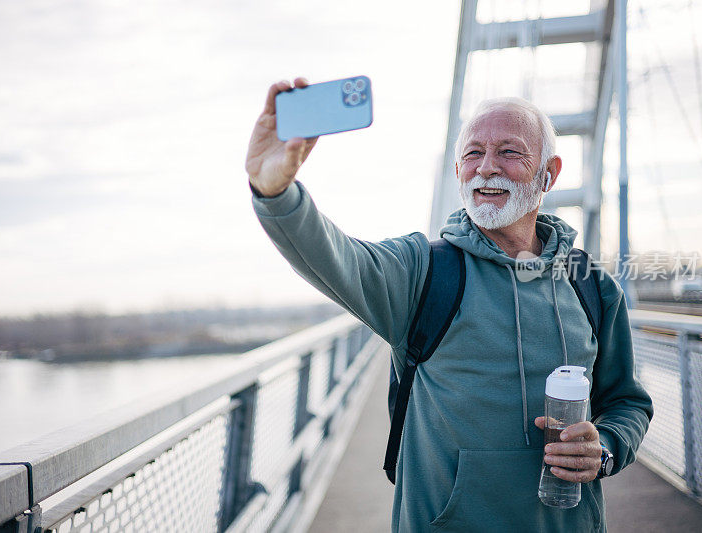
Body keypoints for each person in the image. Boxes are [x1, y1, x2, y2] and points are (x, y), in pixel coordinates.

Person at [245, 77, 653, 532]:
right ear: (458, 169)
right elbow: (337, 257)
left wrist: (607, 448)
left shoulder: (592, 284)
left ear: (549, 174)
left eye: (509, 152)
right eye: (473, 154)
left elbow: (626, 402)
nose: (486, 168)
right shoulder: (424, 271)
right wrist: (277, 195)